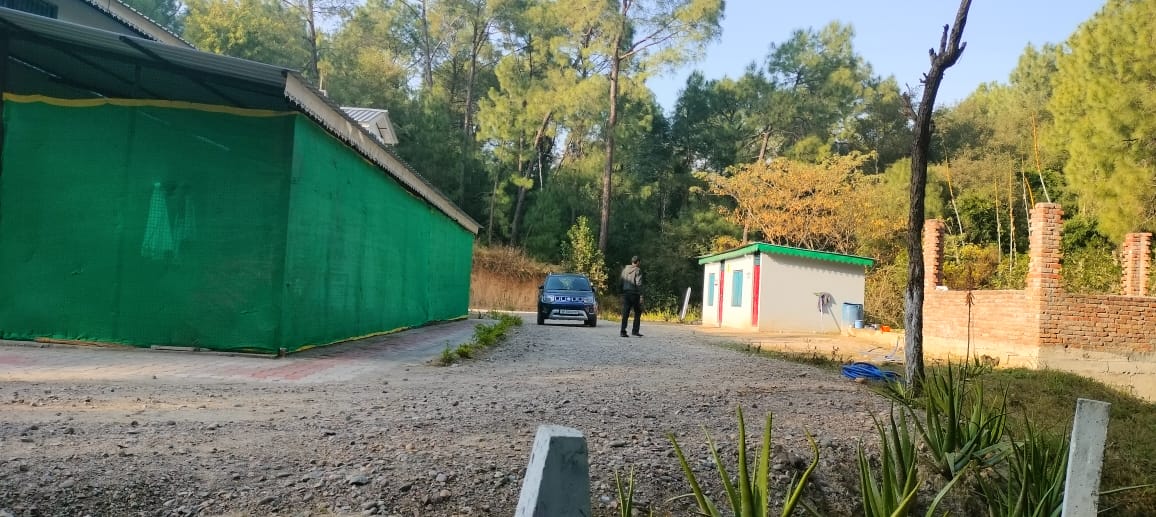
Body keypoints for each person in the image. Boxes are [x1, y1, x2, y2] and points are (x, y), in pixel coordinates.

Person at [620, 256, 643, 337]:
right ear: (637, 262)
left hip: (626, 293)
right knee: (638, 312)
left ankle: (623, 331)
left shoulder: (625, 270)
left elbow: (621, 281)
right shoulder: (638, 270)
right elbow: (638, 284)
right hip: (634, 294)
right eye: (639, 262)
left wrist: (621, 292)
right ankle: (635, 331)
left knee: (625, 312)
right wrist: (641, 295)